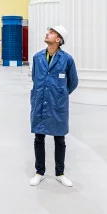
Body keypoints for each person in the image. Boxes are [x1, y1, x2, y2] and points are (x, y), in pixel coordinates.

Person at [29, 25, 78, 187]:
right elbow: (36, 78)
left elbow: (73, 82)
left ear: (58, 40)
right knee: (39, 137)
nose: (47, 34)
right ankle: (39, 172)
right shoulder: (37, 58)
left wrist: (60, 95)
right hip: (40, 100)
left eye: (51, 33)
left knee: (59, 138)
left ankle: (60, 173)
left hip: (57, 103)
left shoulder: (67, 59)